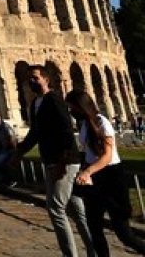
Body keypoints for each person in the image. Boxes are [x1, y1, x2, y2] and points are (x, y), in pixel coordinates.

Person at [12, 66, 95, 257]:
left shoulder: (55, 100)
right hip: (53, 160)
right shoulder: (35, 104)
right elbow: (35, 133)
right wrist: (20, 152)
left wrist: (62, 163)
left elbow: (67, 132)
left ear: (46, 80)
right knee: (77, 211)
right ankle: (94, 251)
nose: (31, 82)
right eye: (29, 79)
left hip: (64, 162)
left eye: (35, 78)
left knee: (56, 209)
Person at [66, 89, 145, 256]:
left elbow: (107, 156)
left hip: (111, 177)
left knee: (124, 233)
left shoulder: (102, 122)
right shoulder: (85, 124)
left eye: (72, 107)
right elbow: (88, 152)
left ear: (81, 107)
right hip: (94, 177)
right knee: (94, 228)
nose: (71, 111)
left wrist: (88, 171)